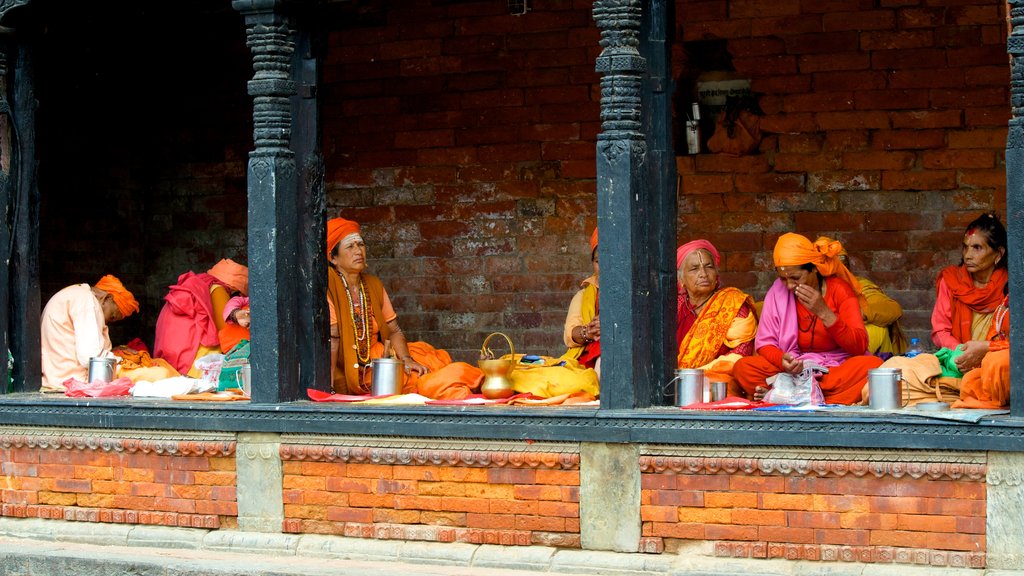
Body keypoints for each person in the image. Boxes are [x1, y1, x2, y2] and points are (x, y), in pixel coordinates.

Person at [326, 217, 482, 398]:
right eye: (350, 247)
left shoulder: (372, 284)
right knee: (424, 379)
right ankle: (481, 380)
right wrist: (329, 388)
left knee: (434, 360)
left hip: (385, 358)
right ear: (333, 257)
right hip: (364, 372)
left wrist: (407, 359)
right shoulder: (329, 284)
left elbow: (394, 330)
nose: (358, 251)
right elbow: (333, 339)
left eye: (360, 245)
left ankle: (479, 379)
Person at [733, 234, 882, 404]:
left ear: (814, 269)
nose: (789, 285)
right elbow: (765, 344)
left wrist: (825, 313)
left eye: (795, 278)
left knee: (872, 366)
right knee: (743, 368)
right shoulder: (777, 292)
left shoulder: (840, 290)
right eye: (783, 279)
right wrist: (782, 361)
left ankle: (784, 395)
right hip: (794, 370)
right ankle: (811, 396)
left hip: (834, 368)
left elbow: (859, 346)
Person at [675, 240, 756, 392]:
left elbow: (741, 352)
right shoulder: (673, 307)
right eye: (694, 269)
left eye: (709, 267)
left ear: (716, 274)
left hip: (718, 381)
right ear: (681, 279)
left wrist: (694, 375)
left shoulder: (733, 303)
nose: (703, 274)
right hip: (675, 380)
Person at [931, 213, 1007, 374]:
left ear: (998, 254)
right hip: (958, 360)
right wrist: (962, 352)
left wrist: (984, 353)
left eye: (977, 248)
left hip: (996, 361)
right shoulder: (951, 281)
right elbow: (940, 331)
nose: (967, 255)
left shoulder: (1010, 285)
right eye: (965, 247)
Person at [40, 275, 140, 392]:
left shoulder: (76, 293)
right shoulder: (86, 300)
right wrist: (122, 362)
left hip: (57, 379)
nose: (108, 322)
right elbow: (90, 357)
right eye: (112, 316)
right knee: (158, 374)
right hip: (70, 382)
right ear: (107, 299)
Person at [153, 258, 248, 377]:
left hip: (169, 359)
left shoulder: (193, 285)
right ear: (235, 289)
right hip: (192, 363)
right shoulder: (217, 289)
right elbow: (225, 329)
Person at [819, 237, 906, 356]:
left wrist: (861, 313)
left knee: (877, 326)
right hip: (819, 350)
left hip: (854, 348)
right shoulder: (808, 288)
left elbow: (893, 309)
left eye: (840, 268)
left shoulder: (859, 286)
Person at [562, 227, 600, 373]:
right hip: (585, 358)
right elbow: (570, 334)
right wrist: (588, 332)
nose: (604, 267)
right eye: (598, 261)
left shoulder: (637, 292)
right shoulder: (584, 295)